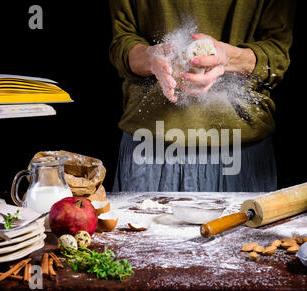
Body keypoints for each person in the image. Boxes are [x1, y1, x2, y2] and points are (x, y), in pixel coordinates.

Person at [109, 0, 296, 192]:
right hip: (149, 149)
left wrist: (228, 58)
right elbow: (122, 41)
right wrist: (151, 58)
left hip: (240, 154)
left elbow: (278, 52)